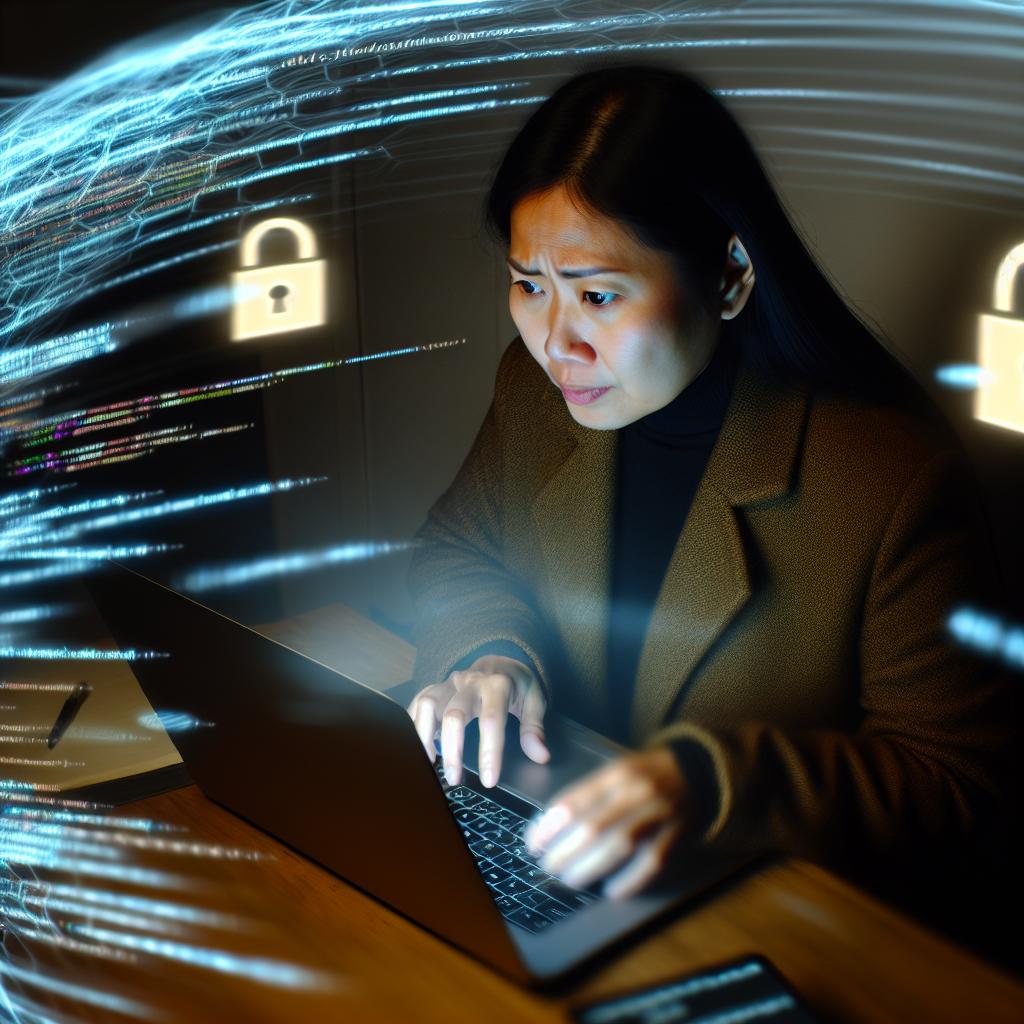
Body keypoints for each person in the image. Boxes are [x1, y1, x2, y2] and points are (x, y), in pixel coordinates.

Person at [403, 64, 1014, 910]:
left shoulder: (893, 479)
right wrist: (488, 652)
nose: (555, 343)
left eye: (598, 294)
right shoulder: (534, 391)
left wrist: (714, 783)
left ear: (729, 275)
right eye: (527, 285)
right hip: (560, 860)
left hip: (767, 906)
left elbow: (957, 789)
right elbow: (455, 547)